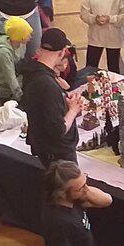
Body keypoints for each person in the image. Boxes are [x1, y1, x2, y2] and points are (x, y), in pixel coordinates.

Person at [19, 28, 84, 166]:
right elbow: (58, 130)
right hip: (58, 154)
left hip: (43, 146)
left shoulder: (31, 72)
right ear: (62, 52)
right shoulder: (47, 84)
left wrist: (62, 99)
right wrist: (73, 109)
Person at [0, 15, 33, 102]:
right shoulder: (2, 52)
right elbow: (10, 78)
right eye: (27, 35)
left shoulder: (21, 44)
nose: (30, 37)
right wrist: (22, 98)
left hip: (17, 81)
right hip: (3, 88)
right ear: (19, 36)